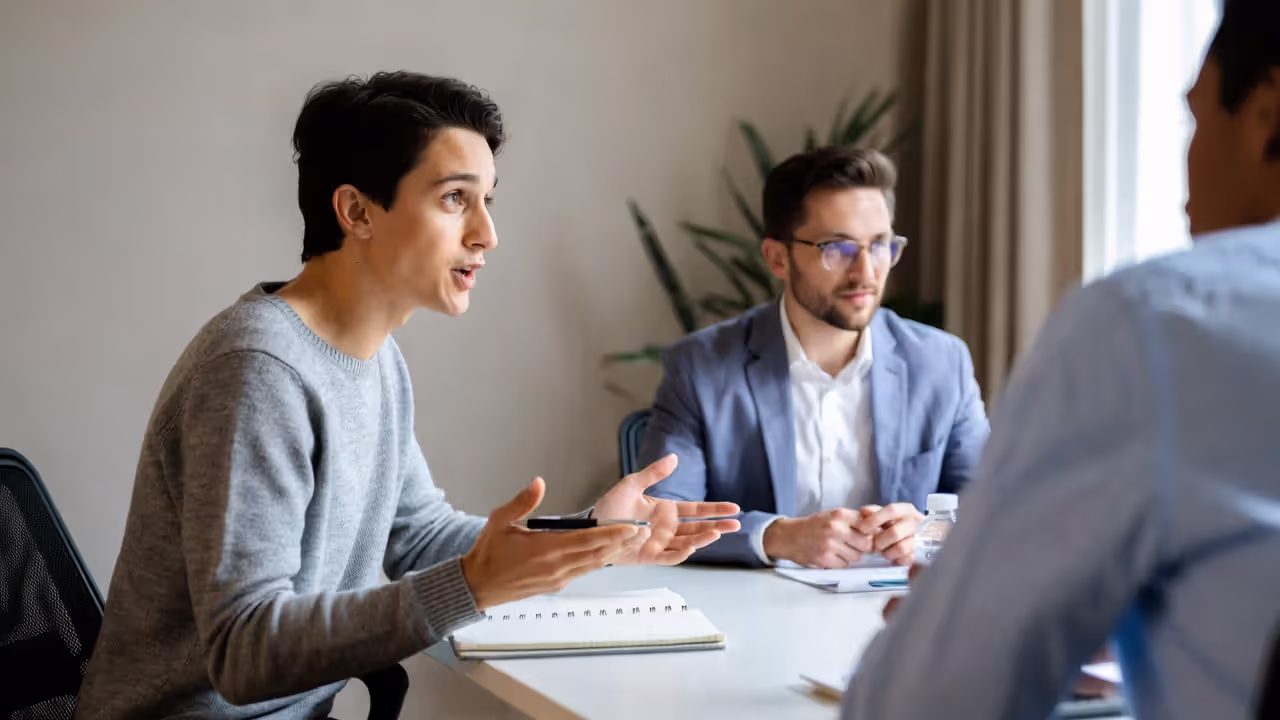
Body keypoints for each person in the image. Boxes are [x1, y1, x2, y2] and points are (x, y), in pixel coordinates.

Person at [73, 72, 740, 719]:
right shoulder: (258, 372)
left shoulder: (376, 357)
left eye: (488, 201)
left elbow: (418, 534)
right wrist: (474, 585)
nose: (487, 234)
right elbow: (244, 652)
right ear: (357, 211)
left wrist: (594, 536)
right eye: (455, 198)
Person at [843, 2, 1280, 718]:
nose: (1186, 178)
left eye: (1197, 121)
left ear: (1264, 114)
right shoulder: (711, 366)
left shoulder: (1155, 327)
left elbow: (921, 705)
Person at [640, 147, 989, 568]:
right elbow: (662, 520)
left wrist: (932, 530)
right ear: (778, 258)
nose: (866, 273)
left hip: (898, 615)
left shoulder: (941, 363)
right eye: (838, 248)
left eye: (879, 245)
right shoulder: (701, 368)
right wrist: (776, 536)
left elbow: (991, 507)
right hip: (758, 617)